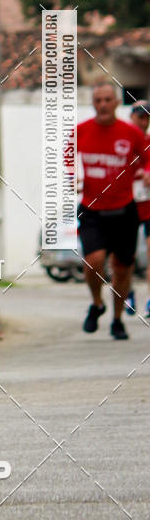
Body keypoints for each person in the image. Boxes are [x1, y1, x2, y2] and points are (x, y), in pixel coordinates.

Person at [77, 82, 150, 340]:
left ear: (117, 103)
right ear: (93, 103)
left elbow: (147, 158)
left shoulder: (131, 133)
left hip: (124, 211)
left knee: (122, 268)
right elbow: (64, 160)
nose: (103, 105)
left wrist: (146, 173)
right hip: (92, 209)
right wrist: (70, 177)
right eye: (98, 100)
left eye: (108, 99)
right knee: (94, 261)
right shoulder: (81, 131)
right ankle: (97, 303)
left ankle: (117, 319)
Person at [128, 101, 150, 318]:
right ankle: (129, 294)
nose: (143, 121)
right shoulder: (123, 142)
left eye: (146, 117)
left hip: (149, 206)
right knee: (127, 254)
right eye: (139, 116)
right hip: (127, 205)